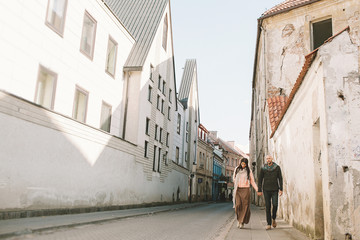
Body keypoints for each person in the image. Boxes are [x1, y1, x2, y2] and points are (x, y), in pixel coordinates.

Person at [257, 155, 283, 230]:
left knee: (275, 204)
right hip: (266, 190)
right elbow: (260, 179)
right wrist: (259, 190)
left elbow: (280, 178)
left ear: (272, 159)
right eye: (267, 159)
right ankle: (268, 224)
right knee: (268, 207)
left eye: (269, 158)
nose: (268, 160)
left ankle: (273, 218)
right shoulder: (263, 168)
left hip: (275, 189)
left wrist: (281, 189)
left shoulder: (277, 167)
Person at [232, 158, 258, 229]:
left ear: (246, 164)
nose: (243, 165)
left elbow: (252, 181)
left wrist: (257, 189)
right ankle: (239, 219)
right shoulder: (237, 169)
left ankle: (242, 221)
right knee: (238, 205)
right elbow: (233, 178)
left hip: (246, 189)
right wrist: (236, 182)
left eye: (244, 164)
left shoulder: (249, 171)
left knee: (245, 206)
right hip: (238, 189)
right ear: (240, 163)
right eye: (242, 164)